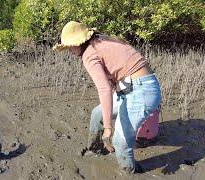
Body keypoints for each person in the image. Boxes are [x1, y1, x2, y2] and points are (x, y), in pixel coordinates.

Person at [53, 21, 162, 174]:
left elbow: (103, 89)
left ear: (80, 41)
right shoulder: (102, 41)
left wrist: (108, 128)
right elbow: (113, 80)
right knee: (97, 114)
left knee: (120, 141)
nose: (70, 50)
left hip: (142, 90)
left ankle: (129, 172)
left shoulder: (89, 55)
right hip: (133, 87)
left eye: (70, 45)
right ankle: (95, 149)